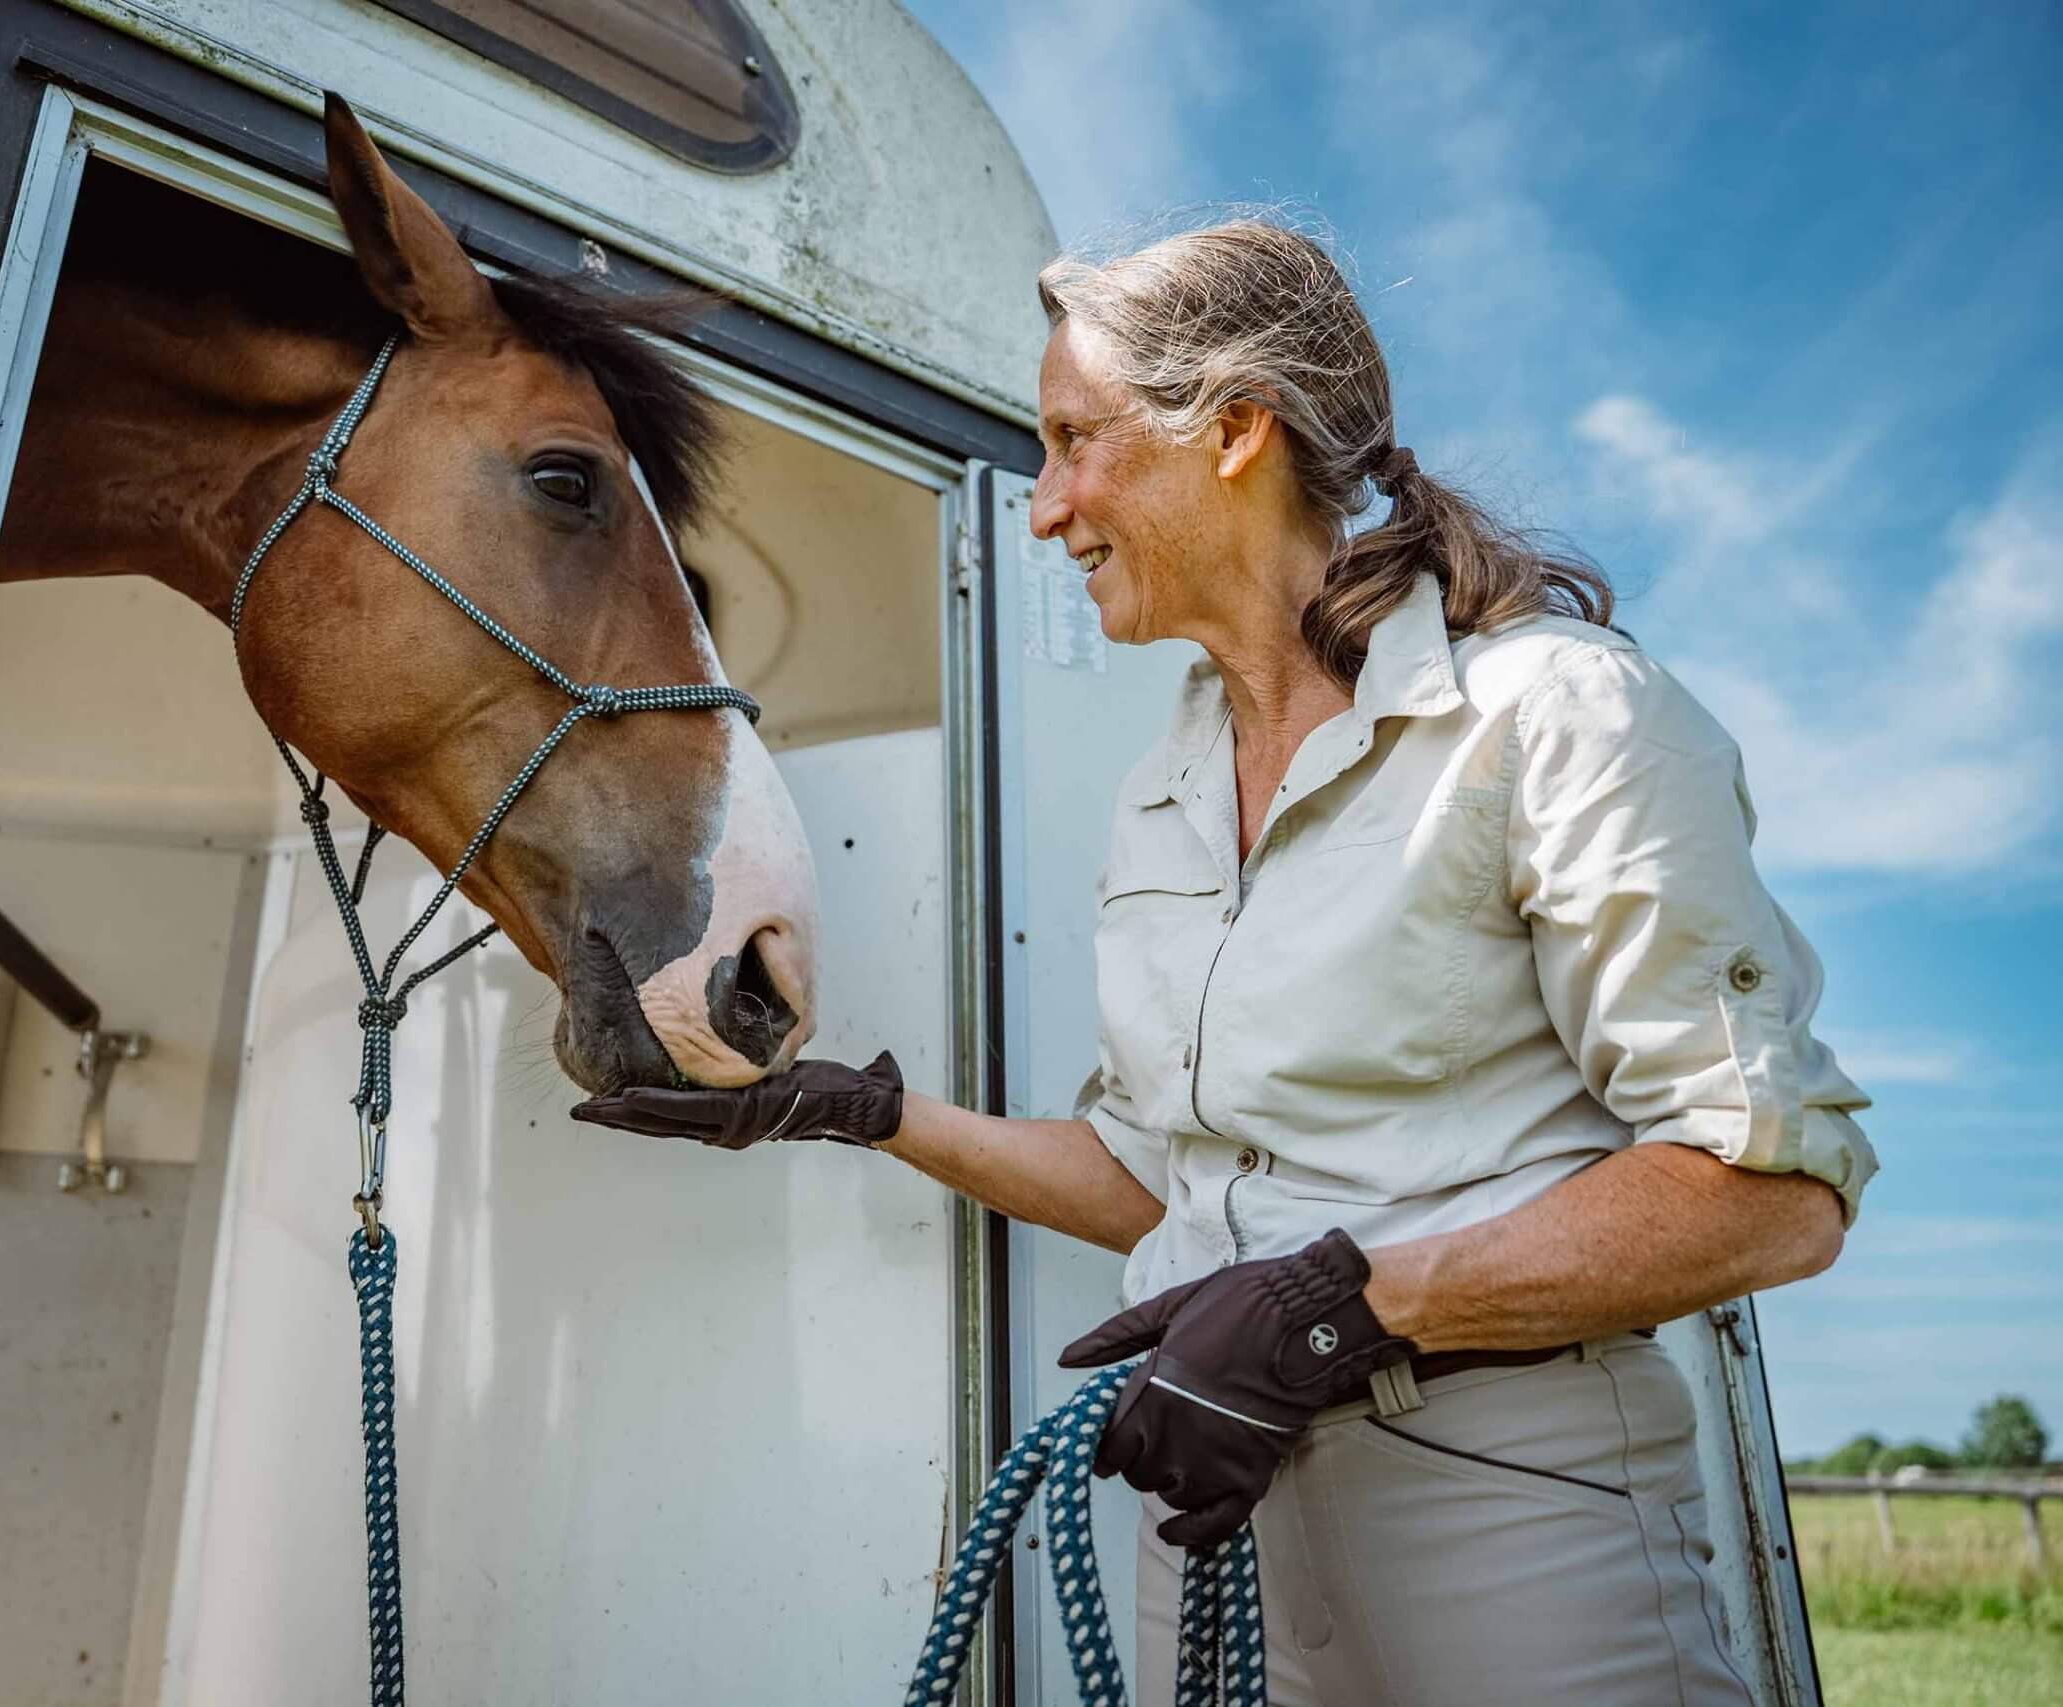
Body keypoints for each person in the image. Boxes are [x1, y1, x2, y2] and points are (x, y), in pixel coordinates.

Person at [571, 217, 1876, 1705]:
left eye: (1075, 442)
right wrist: (861, 1113)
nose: (1046, 510)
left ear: (1238, 431)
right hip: (1215, 1499)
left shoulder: (1553, 716)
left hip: (1511, 1501)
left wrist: (1342, 1309)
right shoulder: (1169, 782)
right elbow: (1168, 1182)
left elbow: (1764, 1192)